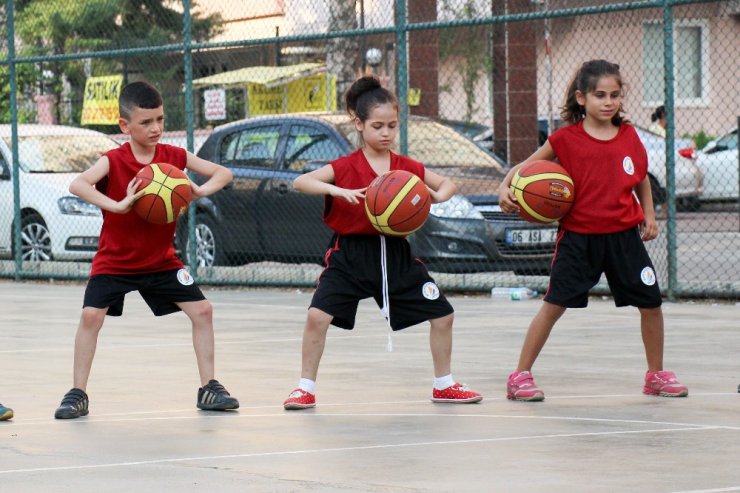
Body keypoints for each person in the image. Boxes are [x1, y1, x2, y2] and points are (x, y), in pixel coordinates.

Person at [282, 75, 482, 410]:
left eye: (392, 125)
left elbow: (448, 184)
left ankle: (444, 384)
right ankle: (305, 387)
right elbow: (301, 182)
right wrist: (336, 189)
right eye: (378, 126)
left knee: (443, 315)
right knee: (317, 316)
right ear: (358, 124)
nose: (386, 133)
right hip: (349, 254)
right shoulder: (344, 167)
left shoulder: (405, 169)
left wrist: (433, 196)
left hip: (394, 254)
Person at [498, 60, 688, 402]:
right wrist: (503, 188)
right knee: (554, 305)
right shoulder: (564, 139)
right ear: (581, 98)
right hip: (578, 238)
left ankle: (656, 374)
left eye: (615, 94)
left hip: (624, 237)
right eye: (600, 95)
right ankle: (520, 375)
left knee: (651, 303)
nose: (608, 101)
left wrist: (649, 216)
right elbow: (522, 169)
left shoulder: (629, 135)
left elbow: (641, 177)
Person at [54, 81, 238, 419]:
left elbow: (223, 172)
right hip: (115, 260)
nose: (155, 128)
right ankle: (77, 392)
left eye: (160, 120)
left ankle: (209, 387)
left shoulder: (174, 157)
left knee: (203, 311)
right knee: (90, 316)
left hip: (161, 261)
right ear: (125, 126)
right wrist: (118, 204)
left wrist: (199, 190)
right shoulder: (114, 159)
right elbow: (77, 184)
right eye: (146, 122)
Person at [648, 105, 668, 218]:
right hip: (656, 163)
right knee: (658, 188)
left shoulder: (666, 130)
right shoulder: (654, 129)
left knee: (665, 187)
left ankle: (666, 213)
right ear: (663, 115)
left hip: (664, 163)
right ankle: (658, 212)